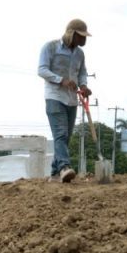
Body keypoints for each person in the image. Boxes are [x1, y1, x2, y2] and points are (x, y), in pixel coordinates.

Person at [38, 19, 91, 182]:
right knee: (60, 134)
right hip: (54, 96)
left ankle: (54, 174)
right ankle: (64, 167)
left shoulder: (80, 54)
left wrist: (83, 85)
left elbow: (82, 72)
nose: (84, 40)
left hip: (71, 100)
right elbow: (42, 70)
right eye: (81, 36)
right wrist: (61, 80)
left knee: (66, 137)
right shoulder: (51, 47)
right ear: (71, 34)